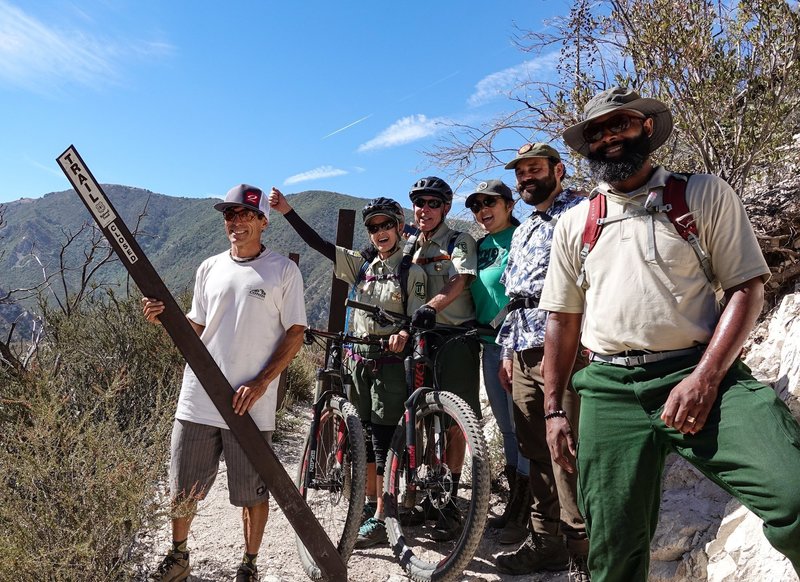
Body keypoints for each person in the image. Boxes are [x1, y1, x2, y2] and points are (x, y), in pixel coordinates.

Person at [540, 86, 800, 582]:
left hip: (701, 373)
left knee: (794, 496)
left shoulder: (701, 194)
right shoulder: (576, 222)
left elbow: (747, 287)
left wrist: (704, 378)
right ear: (588, 146)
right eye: (598, 131)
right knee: (613, 556)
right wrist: (554, 410)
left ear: (647, 129)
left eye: (622, 124)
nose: (610, 137)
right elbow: (562, 320)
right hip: (609, 391)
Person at [142, 184, 307, 582]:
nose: (236, 222)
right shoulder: (209, 267)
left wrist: (263, 383)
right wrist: (164, 319)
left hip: (249, 403)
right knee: (183, 487)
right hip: (198, 397)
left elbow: (296, 333)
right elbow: (196, 328)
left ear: (263, 222)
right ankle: (178, 557)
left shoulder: (283, 270)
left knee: (252, 494)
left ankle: (249, 565)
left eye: (245, 215)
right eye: (229, 216)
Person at [268, 188, 426, 549]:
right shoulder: (363, 264)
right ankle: (372, 508)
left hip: (388, 365)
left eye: (387, 225)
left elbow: (418, 317)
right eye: (374, 227)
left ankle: (388, 512)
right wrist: (288, 211)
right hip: (358, 363)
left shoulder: (410, 270)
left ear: (400, 227)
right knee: (365, 435)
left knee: (384, 438)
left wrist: (403, 332)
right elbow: (320, 245)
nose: (380, 231)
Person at [491, 144, 590, 580]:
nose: (527, 177)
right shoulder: (526, 226)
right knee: (534, 449)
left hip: (567, 344)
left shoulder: (582, 211)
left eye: (535, 169)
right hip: (525, 344)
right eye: (521, 172)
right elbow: (517, 296)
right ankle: (546, 543)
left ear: (559, 170)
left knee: (567, 449)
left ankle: (582, 554)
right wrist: (509, 352)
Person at [404, 176, 480, 541]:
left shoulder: (457, 240)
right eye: (419, 203)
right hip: (420, 338)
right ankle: (423, 492)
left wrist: (432, 307)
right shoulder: (409, 245)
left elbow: (461, 280)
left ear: (446, 208)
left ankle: (448, 500)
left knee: (454, 420)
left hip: (454, 336)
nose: (425, 209)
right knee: (418, 416)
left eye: (433, 203)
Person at [464, 179, 530, 546]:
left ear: (508, 204)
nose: (482, 210)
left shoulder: (521, 239)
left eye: (490, 202)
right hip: (489, 348)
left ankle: (526, 514)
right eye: (476, 206)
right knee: (507, 429)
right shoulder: (481, 245)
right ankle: (514, 506)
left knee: (523, 429)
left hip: (518, 347)